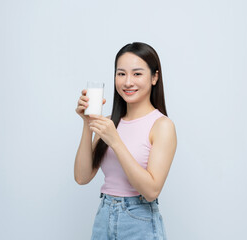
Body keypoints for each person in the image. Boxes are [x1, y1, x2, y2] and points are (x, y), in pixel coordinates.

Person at [74, 42, 177, 240]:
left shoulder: (162, 125)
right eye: (121, 74)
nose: (128, 82)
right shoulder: (110, 122)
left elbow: (151, 191)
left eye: (137, 74)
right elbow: (82, 177)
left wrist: (116, 142)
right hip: (104, 218)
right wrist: (88, 124)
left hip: (139, 221)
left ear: (155, 77)